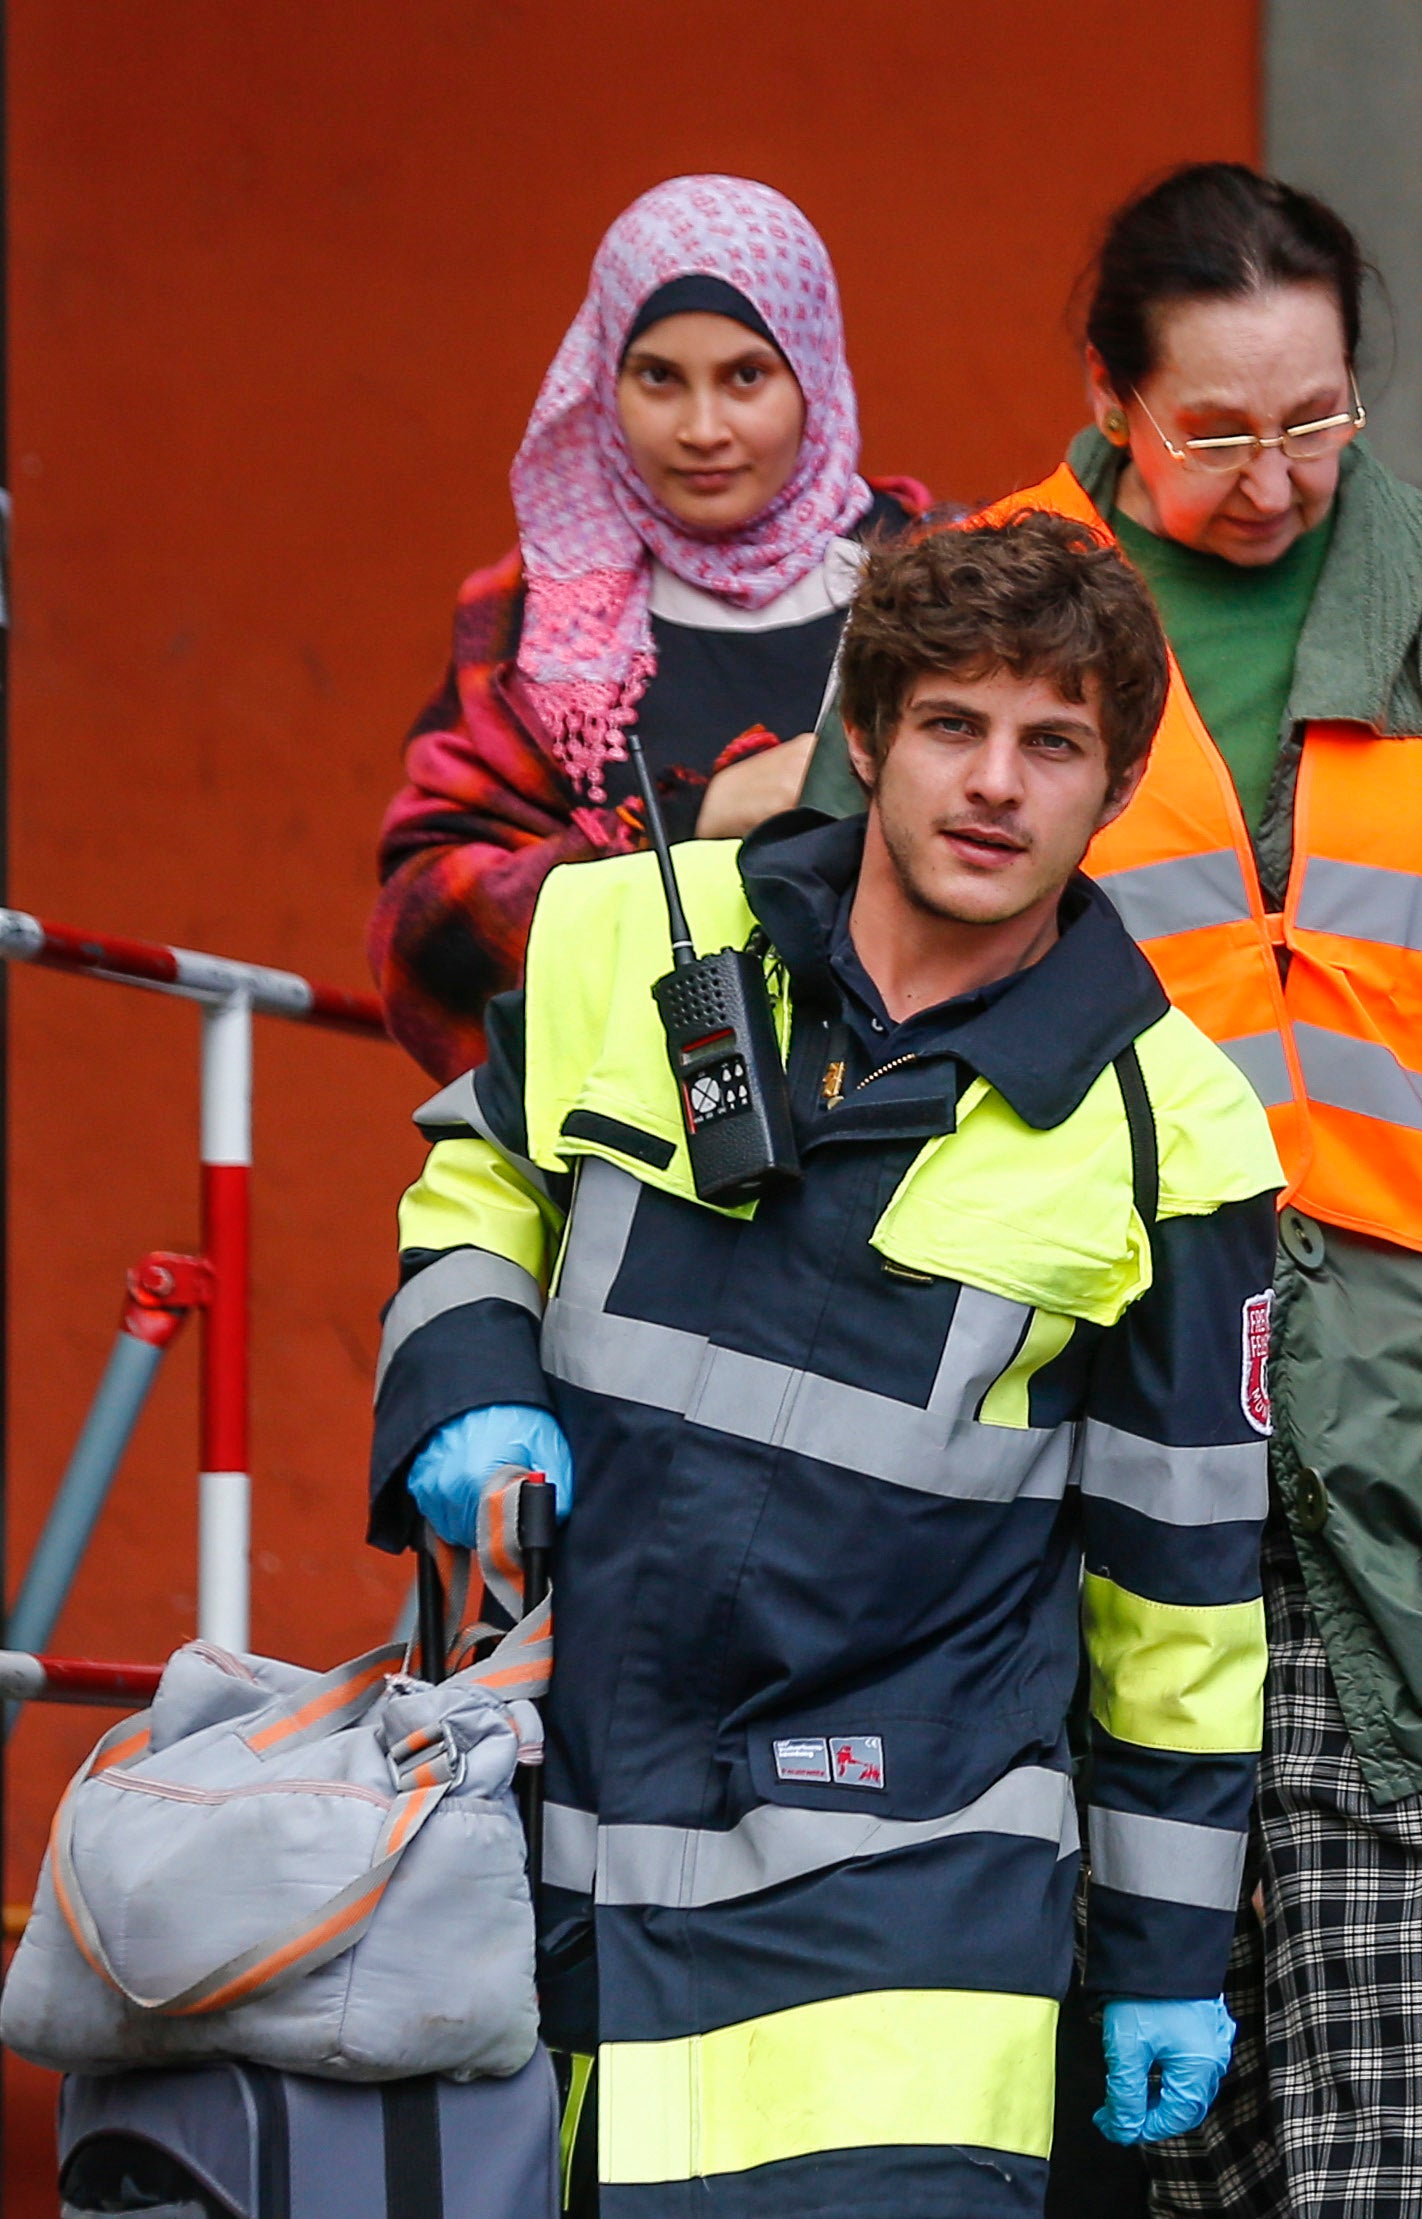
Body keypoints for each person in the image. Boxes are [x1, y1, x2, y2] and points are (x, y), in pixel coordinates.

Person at [800, 162, 1422, 2219]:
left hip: (1389, 1429)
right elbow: (854, 965)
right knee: (1084, 2001)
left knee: (1364, 2050)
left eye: (1316, 418)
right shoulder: (989, 612)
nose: (1275, 478)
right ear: (1109, 397)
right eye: (1220, 430)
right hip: (1059, 1386)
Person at [369, 513, 1278, 2214]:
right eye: (951, 724)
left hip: (913, 1892)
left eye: (1053, 741)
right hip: (558, 1843)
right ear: (863, 737)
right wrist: (468, 1371)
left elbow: (1181, 1594)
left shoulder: (1172, 1134)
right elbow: (477, 1175)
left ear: (1117, 782)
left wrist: (1166, 1947)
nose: (995, 782)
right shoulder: (621, 934)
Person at [372, 173, 927, 1078]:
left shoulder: (941, 578)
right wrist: (690, 820)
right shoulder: (532, 621)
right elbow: (429, 944)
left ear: (815, 368)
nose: (702, 428)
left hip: (914, 1115)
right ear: (603, 380)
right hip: (634, 1138)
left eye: (747, 376)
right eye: (659, 378)